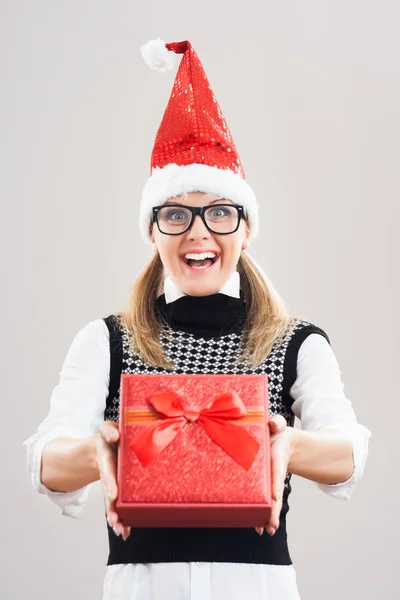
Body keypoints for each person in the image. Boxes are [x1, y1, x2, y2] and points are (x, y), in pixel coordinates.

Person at [23, 38, 371, 600]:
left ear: (246, 228)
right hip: (141, 587)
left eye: (220, 212)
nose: (198, 232)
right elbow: (46, 464)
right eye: (177, 214)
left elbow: (349, 454)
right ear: (153, 229)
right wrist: (94, 452)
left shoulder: (297, 342)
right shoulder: (107, 340)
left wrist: (288, 448)